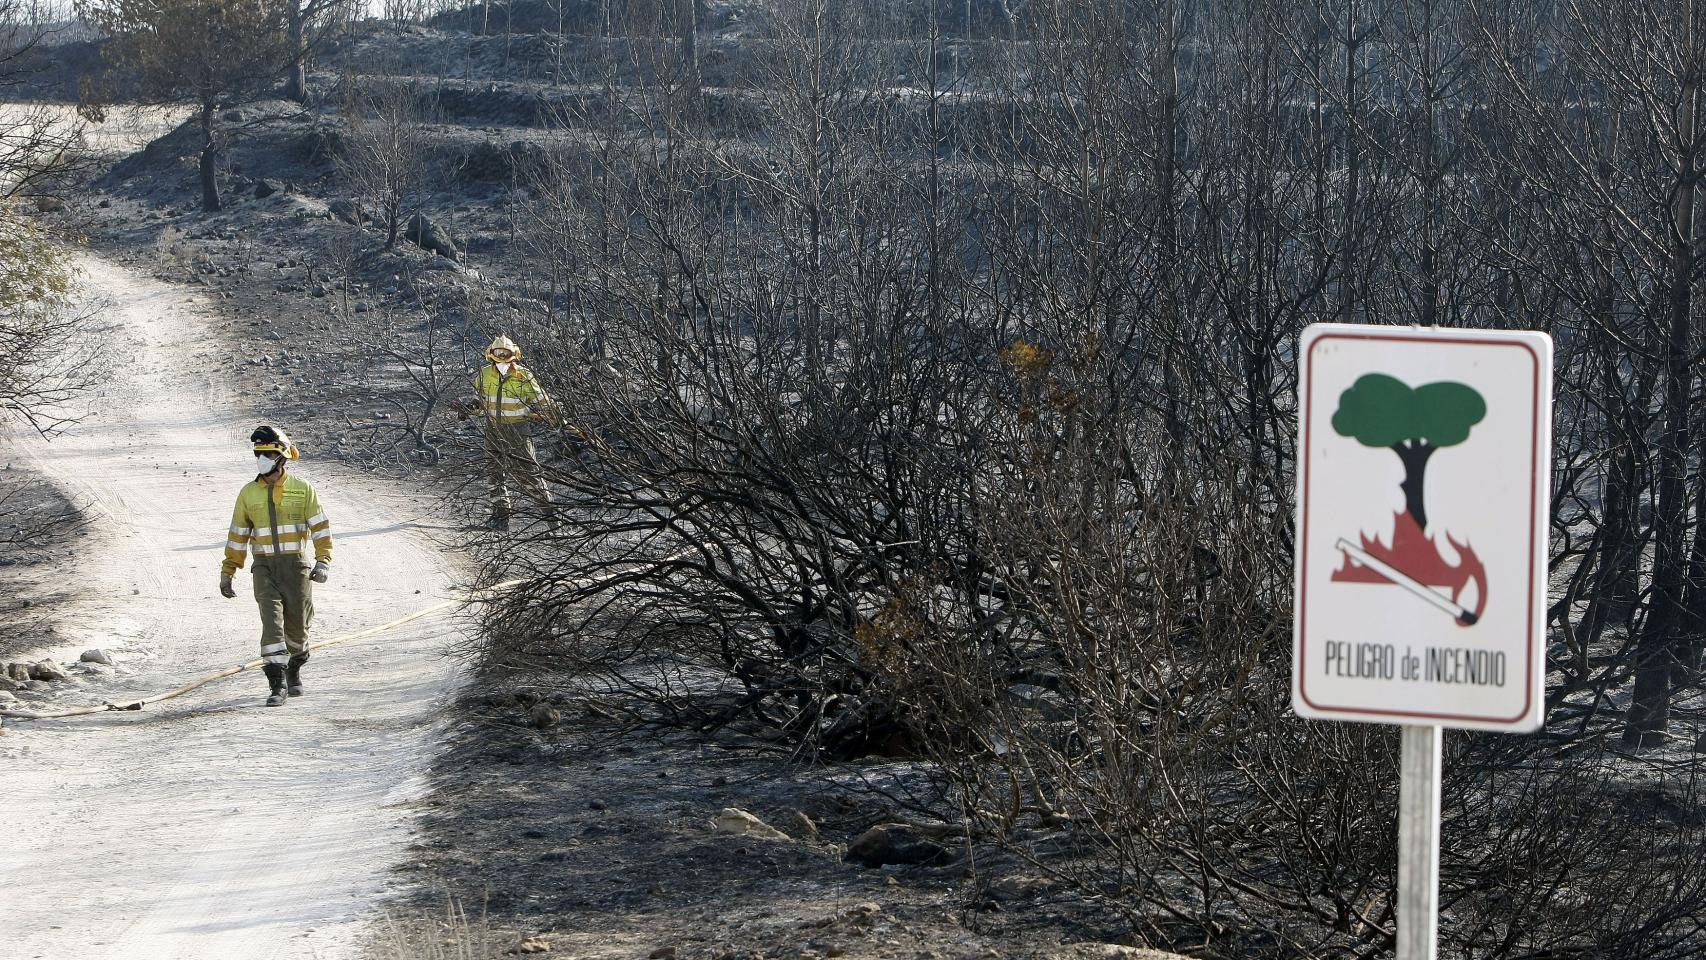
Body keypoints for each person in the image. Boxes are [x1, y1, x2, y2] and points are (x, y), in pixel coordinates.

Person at [219, 426, 333, 707]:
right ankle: (276, 683)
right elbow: (238, 535)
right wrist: (228, 571)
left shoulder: (302, 489)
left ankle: (294, 666)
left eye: (268, 453)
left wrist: (323, 562)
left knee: (298, 630)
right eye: (259, 454)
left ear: (282, 456)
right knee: (271, 625)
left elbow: (320, 529)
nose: (262, 459)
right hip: (264, 569)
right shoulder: (248, 494)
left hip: (296, 568)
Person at [462, 335, 556, 531]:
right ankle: (500, 517)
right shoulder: (484, 375)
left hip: (518, 431)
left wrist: (555, 414)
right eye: (499, 353)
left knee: (529, 474)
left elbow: (543, 400)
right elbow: (477, 402)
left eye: (506, 353)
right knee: (494, 473)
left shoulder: (524, 376)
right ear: (491, 354)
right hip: (493, 430)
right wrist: (466, 410)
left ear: (514, 354)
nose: (503, 356)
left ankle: (552, 519)